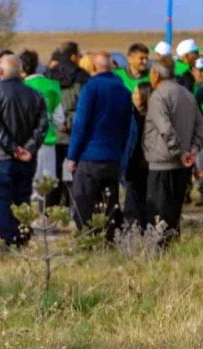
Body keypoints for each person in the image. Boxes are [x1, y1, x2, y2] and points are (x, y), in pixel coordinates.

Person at [67, 53, 134, 234]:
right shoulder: (124, 90)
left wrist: (72, 156)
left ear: (94, 68)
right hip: (114, 156)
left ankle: (88, 238)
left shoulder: (90, 88)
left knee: (84, 202)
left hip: (90, 156)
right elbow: (128, 126)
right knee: (109, 202)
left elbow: (81, 125)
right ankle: (111, 237)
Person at [0, 54, 47, 247]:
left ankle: (10, 237)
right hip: (26, 157)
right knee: (23, 198)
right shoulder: (35, 94)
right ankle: (23, 235)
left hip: (2, 156)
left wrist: (13, 148)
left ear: (1, 71)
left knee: (3, 199)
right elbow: (43, 125)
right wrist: (27, 148)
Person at [144, 56, 203, 239]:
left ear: (155, 74)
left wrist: (181, 152)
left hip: (162, 164)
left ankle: (159, 254)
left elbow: (165, 129)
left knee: (159, 213)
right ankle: (171, 251)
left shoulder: (158, 96)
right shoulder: (187, 94)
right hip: (182, 166)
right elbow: (202, 126)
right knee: (174, 213)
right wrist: (192, 150)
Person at [47, 42, 88, 207]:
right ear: (73, 56)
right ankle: (75, 209)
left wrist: (58, 123)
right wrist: (70, 123)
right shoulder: (83, 77)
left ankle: (49, 211)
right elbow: (85, 107)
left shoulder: (48, 75)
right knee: (77, 176)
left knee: (52, 176)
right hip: (75, 134)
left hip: (53, 135)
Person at [20, 50, 62, 182]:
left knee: (28, 184)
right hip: (47, 140)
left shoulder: (20, 86)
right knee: (46, 184)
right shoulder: (52, 85)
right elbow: (59, 118)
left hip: (25, 143)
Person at [123, 82, 153, 228]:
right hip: (139, 163)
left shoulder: (143, 119)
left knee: (134, 197)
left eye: (136, 93)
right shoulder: (135, 115)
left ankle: (133, 225)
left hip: (139, 163)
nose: (133, 96)